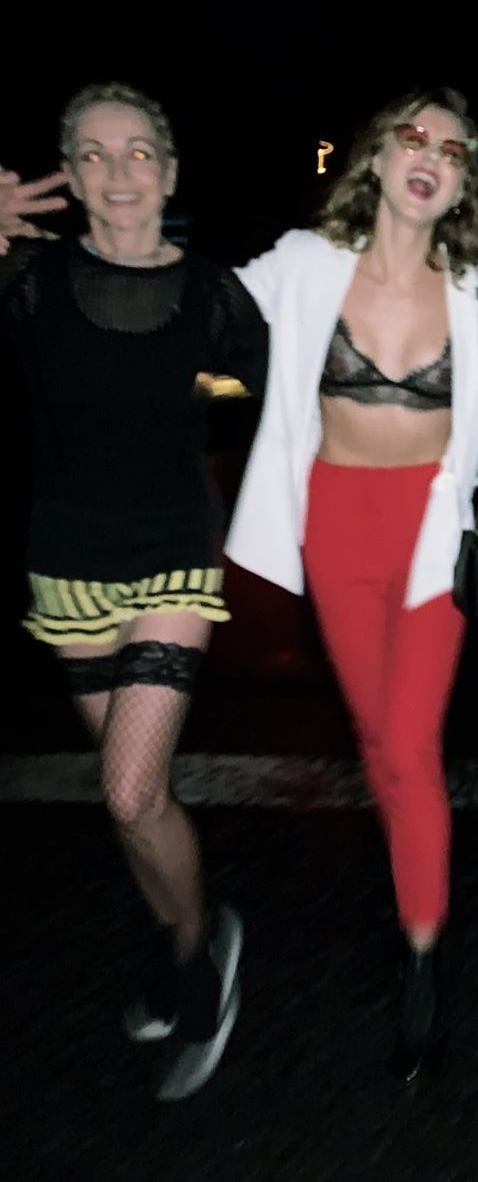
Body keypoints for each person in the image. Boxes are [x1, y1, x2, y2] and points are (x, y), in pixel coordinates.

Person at [225, 87, 478, 1081]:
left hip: (433, 533)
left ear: (463, 183)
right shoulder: (306, 263)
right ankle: (417, 883)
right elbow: (195, 312)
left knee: (408, 745)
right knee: (378, 740)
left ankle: (423, 958)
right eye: (413, 136)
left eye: (453, 148)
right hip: (335, 526)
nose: (429, 154)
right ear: (375, 158)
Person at [0, 83, 266, 1101]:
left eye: (139, 151)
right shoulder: (29, 280)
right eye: (94, 153)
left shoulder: (212, 294)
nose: (119, 172)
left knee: (127, 786)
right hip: (64, 560)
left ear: (170, 170)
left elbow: (257, 388)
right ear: (69, 175)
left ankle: (199, 961)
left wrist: (199, 402)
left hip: (173, 556)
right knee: (133, 804)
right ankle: (182, 933)